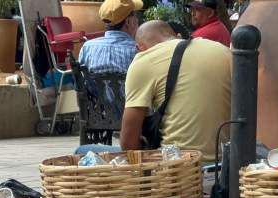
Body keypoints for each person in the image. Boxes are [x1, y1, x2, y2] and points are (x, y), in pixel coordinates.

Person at [121, 20, 231, 161]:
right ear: (178, 36)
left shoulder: (144, 60)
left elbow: (128, 144)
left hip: (176, 169)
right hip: (225, 165)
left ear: (139, 47)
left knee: (87, 149)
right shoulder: (222, 50)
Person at [78, 0, 141, 74]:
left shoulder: (87, 47)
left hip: (94, 86)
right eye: (136, 16)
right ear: (128, 22)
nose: (137, 20)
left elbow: (81, 76)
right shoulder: (137, 50)